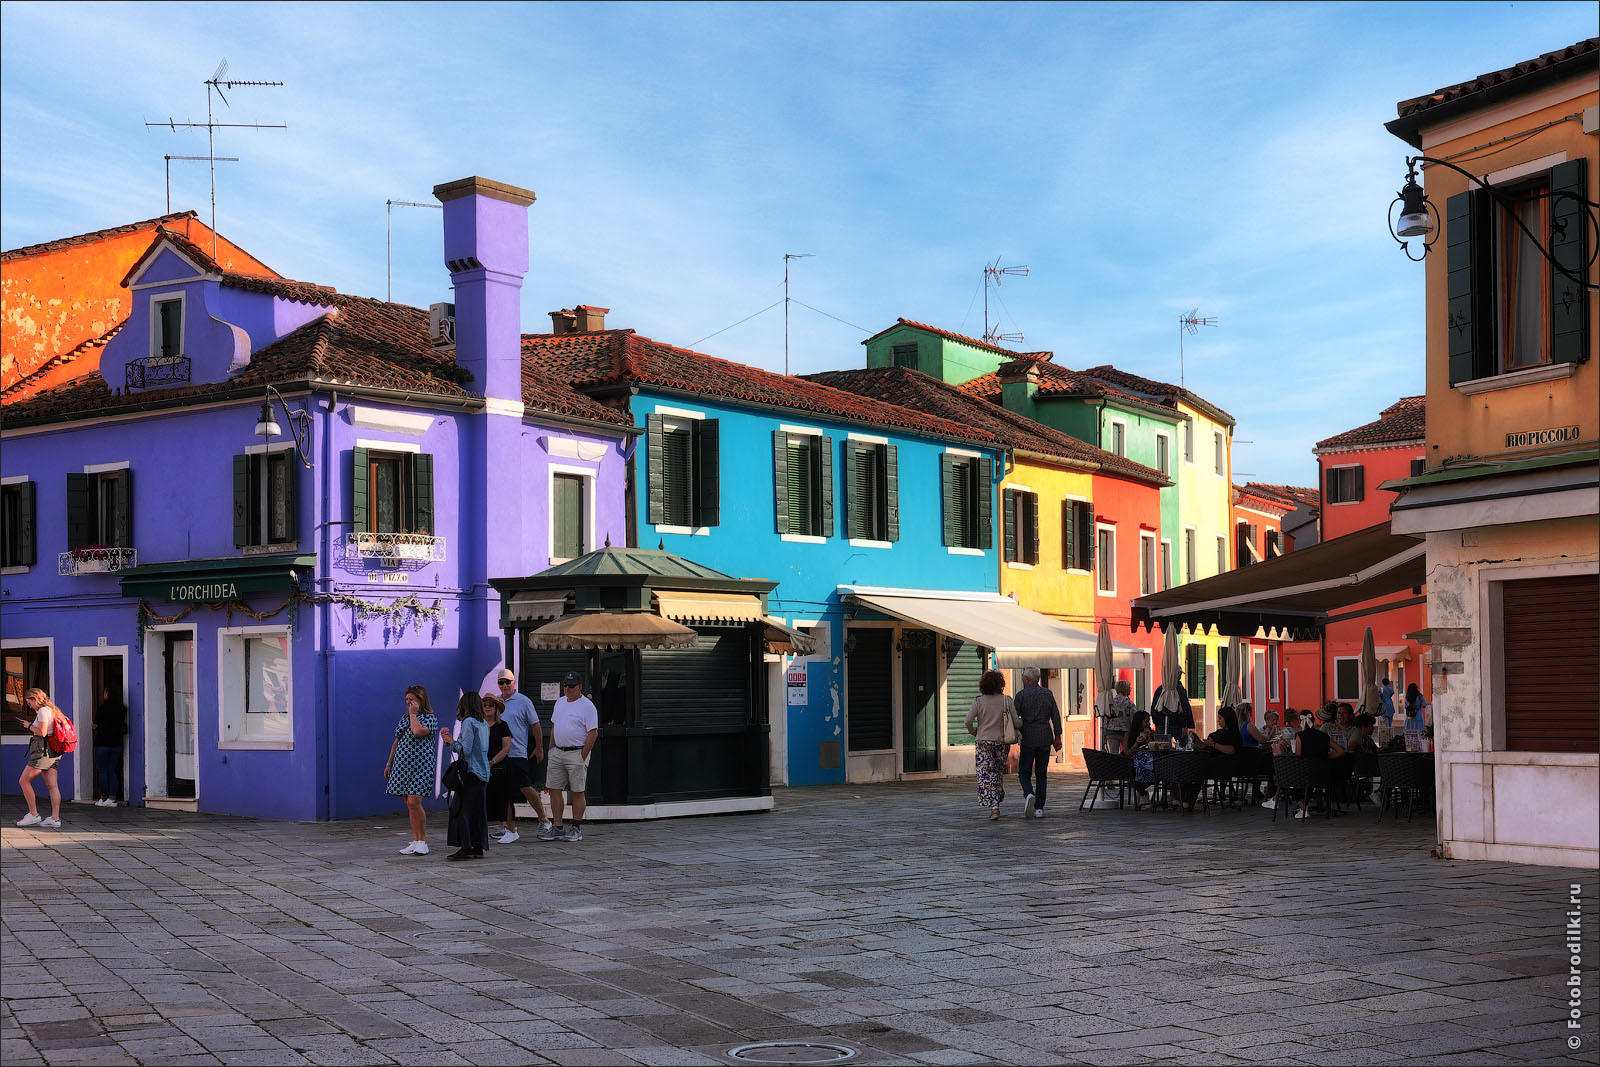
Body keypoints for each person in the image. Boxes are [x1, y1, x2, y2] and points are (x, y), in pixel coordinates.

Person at [492, 668, 550, 844]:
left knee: (525, 787)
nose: (504, 686)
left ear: (513, 682)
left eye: (507, 682)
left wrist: (539, 748)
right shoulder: (494, 702)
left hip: (517, 752)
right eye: (501, 683)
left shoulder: (524, 701)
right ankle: (508, 826)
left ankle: (544, 820)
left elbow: (536, 725)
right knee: (502, 791)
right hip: (499, 754)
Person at [539, 671, 598, 842]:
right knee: (554, 789)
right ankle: (557, 827)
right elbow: (554, 726)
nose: (567, 688)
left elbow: (592, 733)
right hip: (558, 752)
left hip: (577, 752)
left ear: (579, 687)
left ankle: (576, 828)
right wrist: (551, 749)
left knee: (578, 790)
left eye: (571, 685)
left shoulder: (587, 706)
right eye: (565, 685)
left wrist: (582, 755)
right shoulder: (559, 703)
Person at [384, 684, 439, 855]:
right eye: (407, 700)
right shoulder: (404, 719)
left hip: (422, 765)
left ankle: (422, 841)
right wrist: (389, 763)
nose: (409, 703)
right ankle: (416, 839)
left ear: (421, 700)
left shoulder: (430, 718)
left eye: (412, 700)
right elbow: (396, 742)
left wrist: (414, 714)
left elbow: (417, 732)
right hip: (402, 765)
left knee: (415, 801)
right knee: (409, 803)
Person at [963, 670, 1021, 821]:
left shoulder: (978, 701)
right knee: (997, 772)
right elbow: (1016, 722)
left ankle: (993, 806)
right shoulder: (1006, 700)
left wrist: (975, 732)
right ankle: (996, 802)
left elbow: (967, 721)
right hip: (1001, 742)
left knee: (986, 774)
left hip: (983, 742)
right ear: (1000, 684)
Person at [441, 692, 490, 861]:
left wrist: (451, 742)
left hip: (471, 772)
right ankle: (478, 847)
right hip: (483, 772)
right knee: (477, 812)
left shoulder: (468, 722)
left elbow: (466, 750)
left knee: (461, 809)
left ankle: (466, 847)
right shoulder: (483, 723)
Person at [1014, 667, 1063, 818]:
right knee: (1042, 773)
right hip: (1044, 738)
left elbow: (1015, 718)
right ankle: (1039, 808)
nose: (1022, 680)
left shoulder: (1021, 695)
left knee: (1024, 771)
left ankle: (1029, 793)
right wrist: (1058, 736)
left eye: (1023, 678)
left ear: (1027, 680)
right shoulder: (1048, 694)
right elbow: (1055, 715)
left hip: (1028, 738)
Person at [15, 688, 64, 828]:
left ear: (34, 699)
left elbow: (42, 732)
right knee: (52, 785)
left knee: (24, 781)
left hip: (43, 751)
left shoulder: (43, 711)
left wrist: (29, 726)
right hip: (54, 751)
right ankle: (55, 819)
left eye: (29, 702)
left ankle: (33, 814)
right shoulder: (52, 709)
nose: (29, 705)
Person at [1291, 706, 1346, 820]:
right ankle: (1304, 808)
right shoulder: (1324, 736)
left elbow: (1298, 758)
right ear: (1314, 720)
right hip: (1324, 774)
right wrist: (1326, 757)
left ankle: (1303, 808)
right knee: (1310, 777)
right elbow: (1340, 751)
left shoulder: (1300, 736)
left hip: (1307, 774)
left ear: (1301, 722)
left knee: (1292, 779)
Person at [481, 694, 517, 842]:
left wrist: (492, 762)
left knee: (505, 799)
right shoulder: (479, 725)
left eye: (491, 705)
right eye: (485, 705)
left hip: (500, 767)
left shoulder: (503, 726)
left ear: (496, 709)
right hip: (482, 767)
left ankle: (511, 830)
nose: (488, 707)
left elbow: (506, 747)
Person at [93, 682, 127, 806]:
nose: (103, 694)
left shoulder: (102, 708)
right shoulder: (122, 708)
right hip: (116, 744)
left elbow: (96, 724)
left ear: (108, 693)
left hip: (102, 743)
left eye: (105, 692)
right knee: (112, 771)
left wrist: (94, 726)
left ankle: (103, 798)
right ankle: (112, 799)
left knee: (102, 771)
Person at [1150, 669, 1192, 738]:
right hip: (1176, 726)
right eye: (1180, 674)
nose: (1180, 676)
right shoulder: (1179, 689)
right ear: (1177, 675)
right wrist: (1184, 725)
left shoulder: (1160, 689)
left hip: (1160, 725)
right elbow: (1184, 708)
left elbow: (1154, 708)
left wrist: (1156, 722)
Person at [1100, 679, 1138, 754]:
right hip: (1125, 733)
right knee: (1127, 754)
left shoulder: (1111, 702)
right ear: (1126, 689)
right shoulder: (1129, 703)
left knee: (1113, 754)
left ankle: (1114, 765)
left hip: (1111, 732)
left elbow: (1106, 718)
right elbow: (1133, 719)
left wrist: (1104, 733)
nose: (1130, 689)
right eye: (1129, 688)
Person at [1125, 711, 1155, 799]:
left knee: (1154, 768)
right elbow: (1127, 753)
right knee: (1138, 769)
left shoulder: (1152, 733)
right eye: (1146, 721)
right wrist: (1136, 744)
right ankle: (1142, 792)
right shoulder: (1129, 735)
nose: (1149, 723)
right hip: (1134, 763)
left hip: (1150, 761)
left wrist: (1150, 739)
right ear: (1139, 722)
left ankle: (1142, 792)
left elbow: (1157, 749)